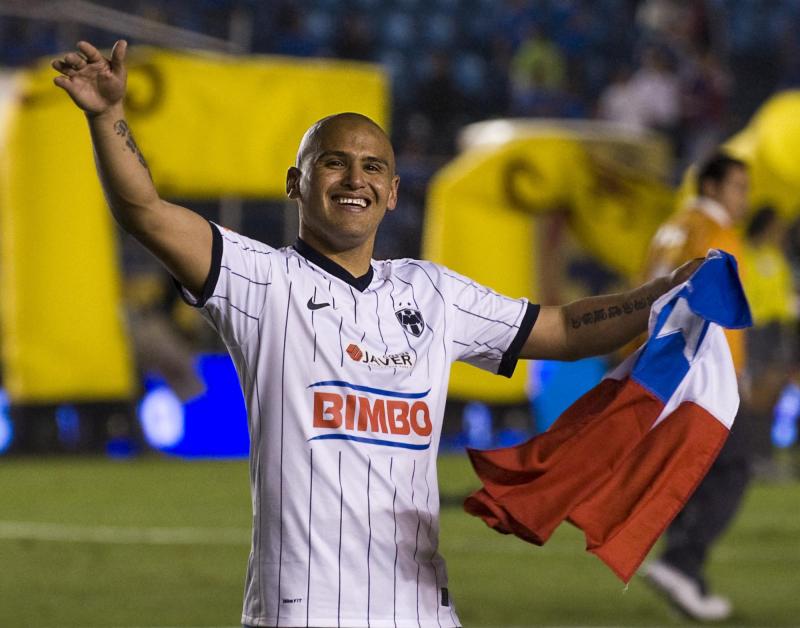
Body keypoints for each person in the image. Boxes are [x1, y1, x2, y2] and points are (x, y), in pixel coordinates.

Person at [52, 40, 700, 628]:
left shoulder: (435, 292)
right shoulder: (261, 283)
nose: (354, 178)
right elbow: (144, 211)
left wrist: (661, 298)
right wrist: (106, 115)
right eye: (333, 163)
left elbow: (557, 329)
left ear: (392, 193)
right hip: (302, 614)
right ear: (295, 184)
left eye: (372, 167)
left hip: (422, 609)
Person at [641, 153, 750, 622]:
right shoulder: (717, 234)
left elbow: (645, 293)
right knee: (735, 464)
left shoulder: (670, 228)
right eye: (737, 186)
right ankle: (680, 564)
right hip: (704, 372)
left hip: (666, 366)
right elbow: (717, 309)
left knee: (699, 469)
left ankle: (684, 570)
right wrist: (731, 372)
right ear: (710, 186)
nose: (744, 197)